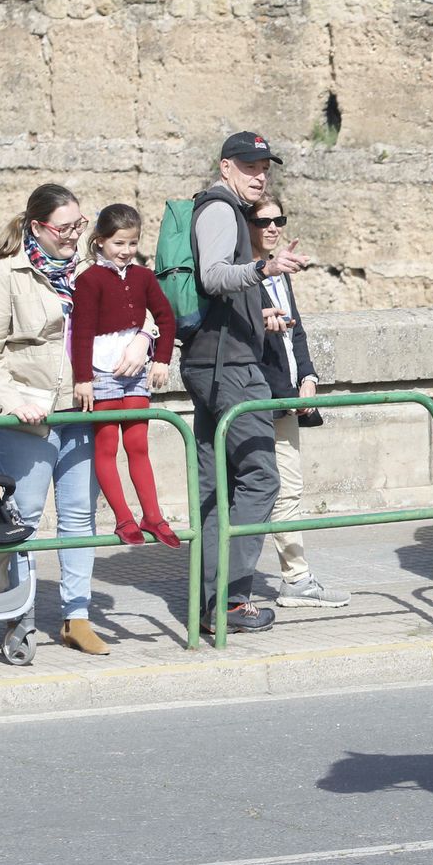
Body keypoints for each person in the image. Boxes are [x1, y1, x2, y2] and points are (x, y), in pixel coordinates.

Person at [0, 184, 153, 656]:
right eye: (65, 227)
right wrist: (13, 402)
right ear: (36, 227)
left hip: (86, 409)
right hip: (29, 415)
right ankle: (18, 616)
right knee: (24, 518)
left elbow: (143, 306)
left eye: (79, 225)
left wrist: (145, 339)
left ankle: (76, 616)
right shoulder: (5, 272)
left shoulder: (94, 269)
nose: (75, 234)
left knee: (79, 517)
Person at [183, 131, 309, 635]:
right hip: (229, 369)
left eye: (265, 167)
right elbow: (214, 276)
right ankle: (231, 601)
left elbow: (219, 292)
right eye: (250, 166)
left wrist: (261, 314)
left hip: (211, 362)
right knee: (261, 477)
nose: (260, 176)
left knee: (217, 488)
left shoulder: (221, 209)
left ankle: (208, 603)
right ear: (226, 167)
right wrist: (265, 268)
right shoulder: (220, 210)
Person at [247, 197, 350, 609]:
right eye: (264, 220)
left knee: (289, 490)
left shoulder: (280, 271)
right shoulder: (243, 276)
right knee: (255, 492)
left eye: (279, 220)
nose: (273, 227)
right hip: (257, 399)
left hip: (287, 397)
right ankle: (236, 587)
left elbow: (297, 332)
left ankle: (296, 579)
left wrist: (307, 379)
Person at [70, 203, 179, 549]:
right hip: (101, 373)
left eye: (132, 244)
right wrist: (83, 378)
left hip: (134, 374)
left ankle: (153, 515)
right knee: (106, 446)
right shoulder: (89, 280)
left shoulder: (143, 277)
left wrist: (161, 359)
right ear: (100, 241)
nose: (126, 251)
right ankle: (123, 518)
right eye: (118, 244)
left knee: (138, 444)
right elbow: (82, 332)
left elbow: (165, 317)